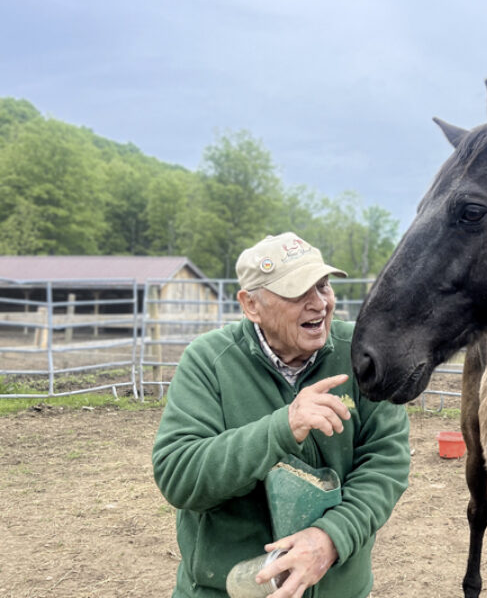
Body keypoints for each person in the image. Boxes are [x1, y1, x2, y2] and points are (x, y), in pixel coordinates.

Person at [152, 232, 410, 598]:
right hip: (230, 589)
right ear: (251, 305)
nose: (319, 303)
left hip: (338, 589)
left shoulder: (362, 354)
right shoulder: (209, 362)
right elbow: (179, 475)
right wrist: (283, 428)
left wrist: (330, 538)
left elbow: (387, 463)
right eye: (297, 292)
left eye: (323, 286)